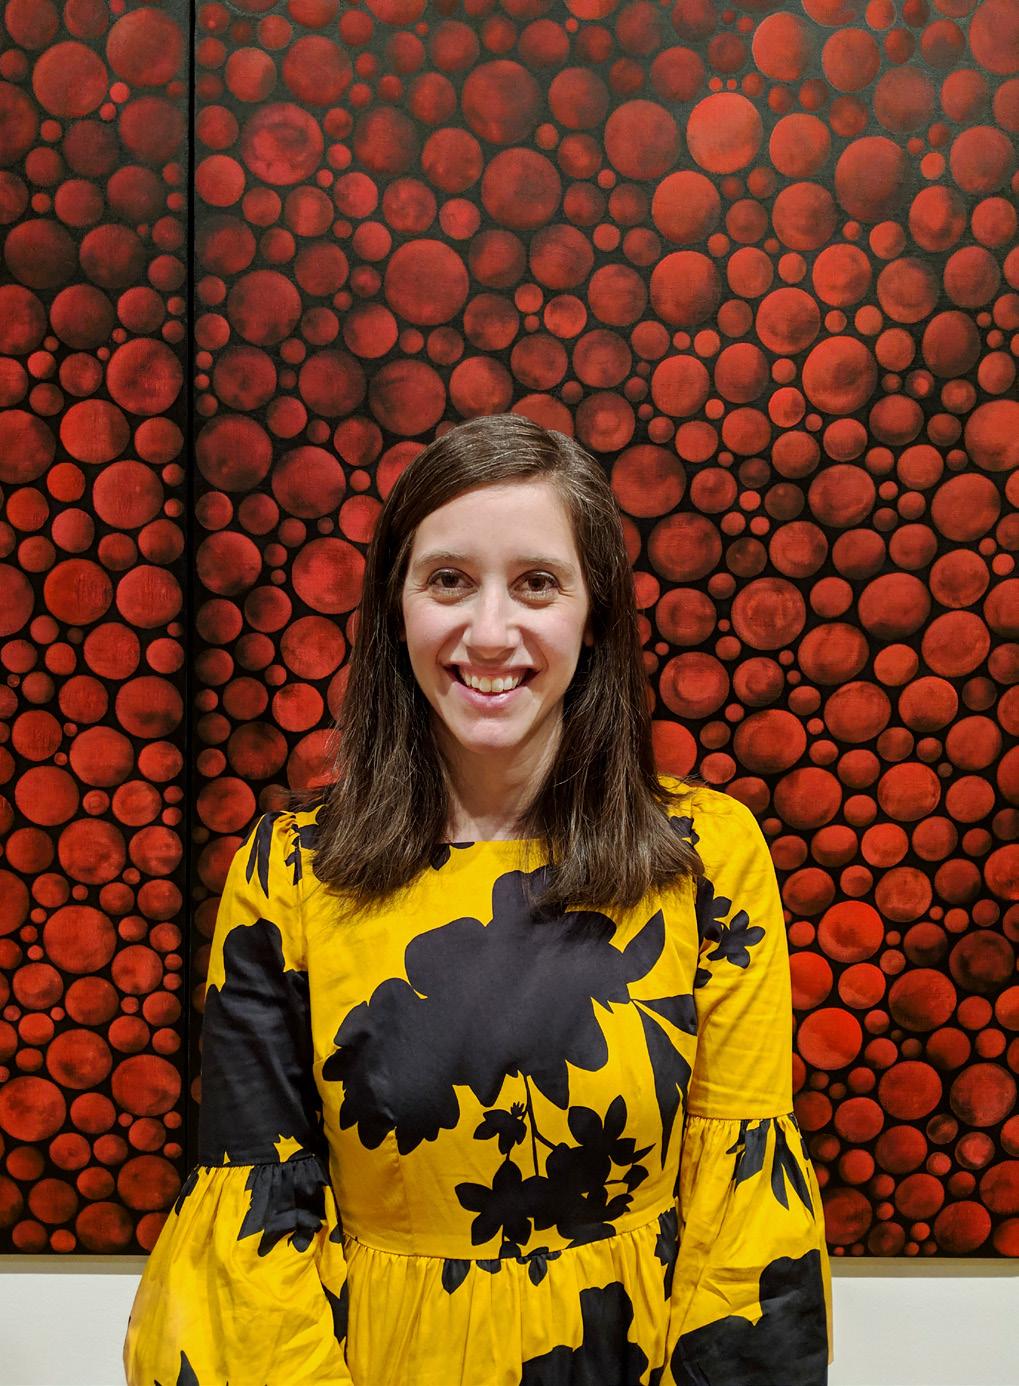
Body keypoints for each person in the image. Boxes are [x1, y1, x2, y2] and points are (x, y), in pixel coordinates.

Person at [124, 413, 833, 1384]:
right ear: (395, 608)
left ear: (594, 614)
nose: (490, 632)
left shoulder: (704, 855)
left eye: (536, 583)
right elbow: (255, 1234)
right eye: (449, 580)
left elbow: (742, 1222)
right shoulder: (289, 870)